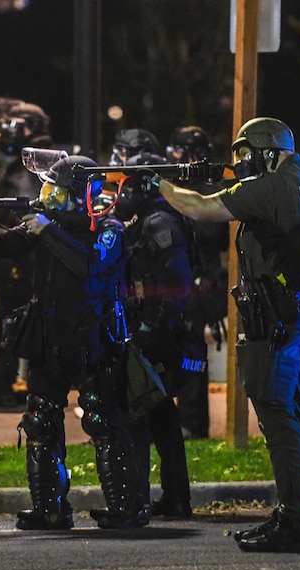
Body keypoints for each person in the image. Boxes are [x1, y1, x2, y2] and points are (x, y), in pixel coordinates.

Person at [152, 117, 300, 552]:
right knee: (290, 409)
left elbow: (199, 208)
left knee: (276, 411)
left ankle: (294, 518)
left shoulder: (271, 186)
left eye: (248, 155)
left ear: (269, 151)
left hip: (278, 318)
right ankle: (294, 511)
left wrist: (159, 183)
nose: (244, 165)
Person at [0, 153, 148, 531]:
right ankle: (50, 510)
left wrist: (48, 230)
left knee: (102, 420)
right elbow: (4, 249)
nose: (48, 198)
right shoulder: (46, 225)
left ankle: (127, 510)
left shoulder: (110, 228)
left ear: (79, 193)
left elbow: (91, 266)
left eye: (56, 192)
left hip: (95, 339)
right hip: (50, 337)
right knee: (40, 421)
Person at [115, 151, 194, 518]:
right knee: (160, 418)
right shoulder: (150, 218)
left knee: (143, 417)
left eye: (127, 184)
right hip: (152, 331)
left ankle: (140, 499)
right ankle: (173, 498)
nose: (121, 192)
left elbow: (176, 281)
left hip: (157, 336)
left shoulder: (159, 222)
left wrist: (154, 328)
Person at [0, 98, 52, 409]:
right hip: (21, 258)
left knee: (14, 321)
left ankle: (6, 389)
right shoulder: (27, 160)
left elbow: (28, 215)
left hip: (26, 260)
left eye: (15, 126)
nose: (8, 133)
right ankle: (1, 387)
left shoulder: (37, 163)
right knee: (10, 320)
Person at [166, 126, 229, 439]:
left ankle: (193, 422)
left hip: (200, 284)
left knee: (191, 355)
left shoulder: (208, 189)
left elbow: (213, 234)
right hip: (183, 283)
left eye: (179, 149)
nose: (173, 155)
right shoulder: (184, 186)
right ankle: (179, 418)